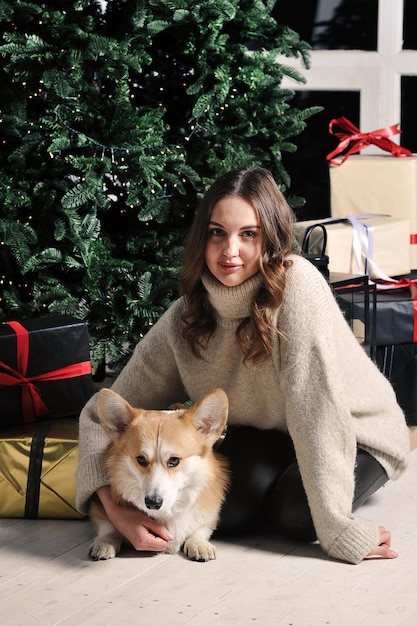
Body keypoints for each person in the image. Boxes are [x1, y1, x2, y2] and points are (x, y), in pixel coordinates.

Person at [76, 166, 409, 564]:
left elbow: (318, 412)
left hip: (354, 430)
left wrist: (338, 528)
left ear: (270, 238)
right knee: (229, 514)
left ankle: (347, 487)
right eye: (217, 232)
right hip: (274, 432)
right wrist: (117, 510)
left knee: (298, 516)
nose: (230, 250)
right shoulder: (186, 315)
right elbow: (102, 418)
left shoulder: (298, 287)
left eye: (248, 234)